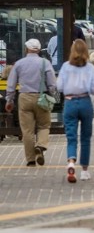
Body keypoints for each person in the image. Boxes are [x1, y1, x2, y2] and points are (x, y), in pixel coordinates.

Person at [4, 39, 57, 167]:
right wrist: (53, 94)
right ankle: (40, 146)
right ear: (38, 50)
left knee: (27, 130)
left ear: (26, 49)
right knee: (44, 125)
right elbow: (52, 84)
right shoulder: (45, 63)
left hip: (24, 97)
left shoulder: (19, 64)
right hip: (42, 96)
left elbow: (11, 84)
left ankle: (30, 159)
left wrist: (9, 100)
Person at [56, 39, 94, 183]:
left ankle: (71, 162)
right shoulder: (90, 68)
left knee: (71, 136)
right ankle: (85, 171)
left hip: (69, 102)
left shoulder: (66, 67)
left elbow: (59, 87)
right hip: (85, 101)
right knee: (86, 138)